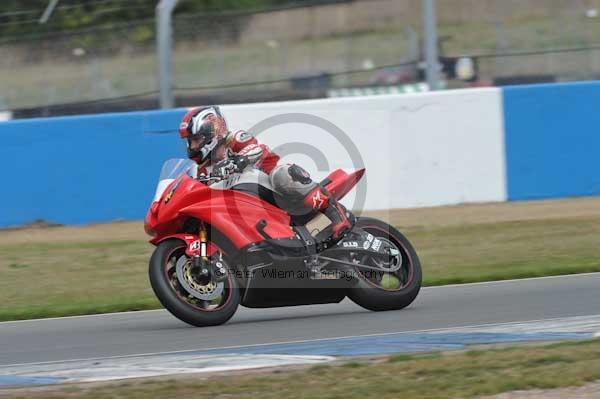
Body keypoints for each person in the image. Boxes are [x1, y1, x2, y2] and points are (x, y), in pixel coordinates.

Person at [178, 106, 352, 240]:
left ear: (213, 132)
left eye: (195, 140)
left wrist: (239, 161)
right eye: (189, 142)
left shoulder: (235, 139)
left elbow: (258, 149)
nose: (192, 147)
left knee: (281, 174)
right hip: (247, 209)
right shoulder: (202, 169)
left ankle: (337, 213)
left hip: (274, 192)